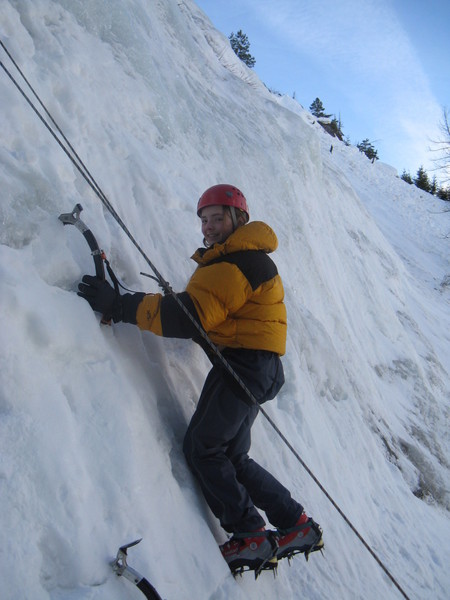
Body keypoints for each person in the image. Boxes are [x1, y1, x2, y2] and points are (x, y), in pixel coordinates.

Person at [77, 184, 323, 574]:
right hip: (255, 365)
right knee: (231, 456)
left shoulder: (238, 261)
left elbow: (189, 315)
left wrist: (118, 305)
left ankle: (250, 535)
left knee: (204, 448)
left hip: (242, 365)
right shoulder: (240, 258)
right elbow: (205, 312)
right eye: (204, 220)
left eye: (217, 218)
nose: (208, 227)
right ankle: (294, 523)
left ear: (237, 218)